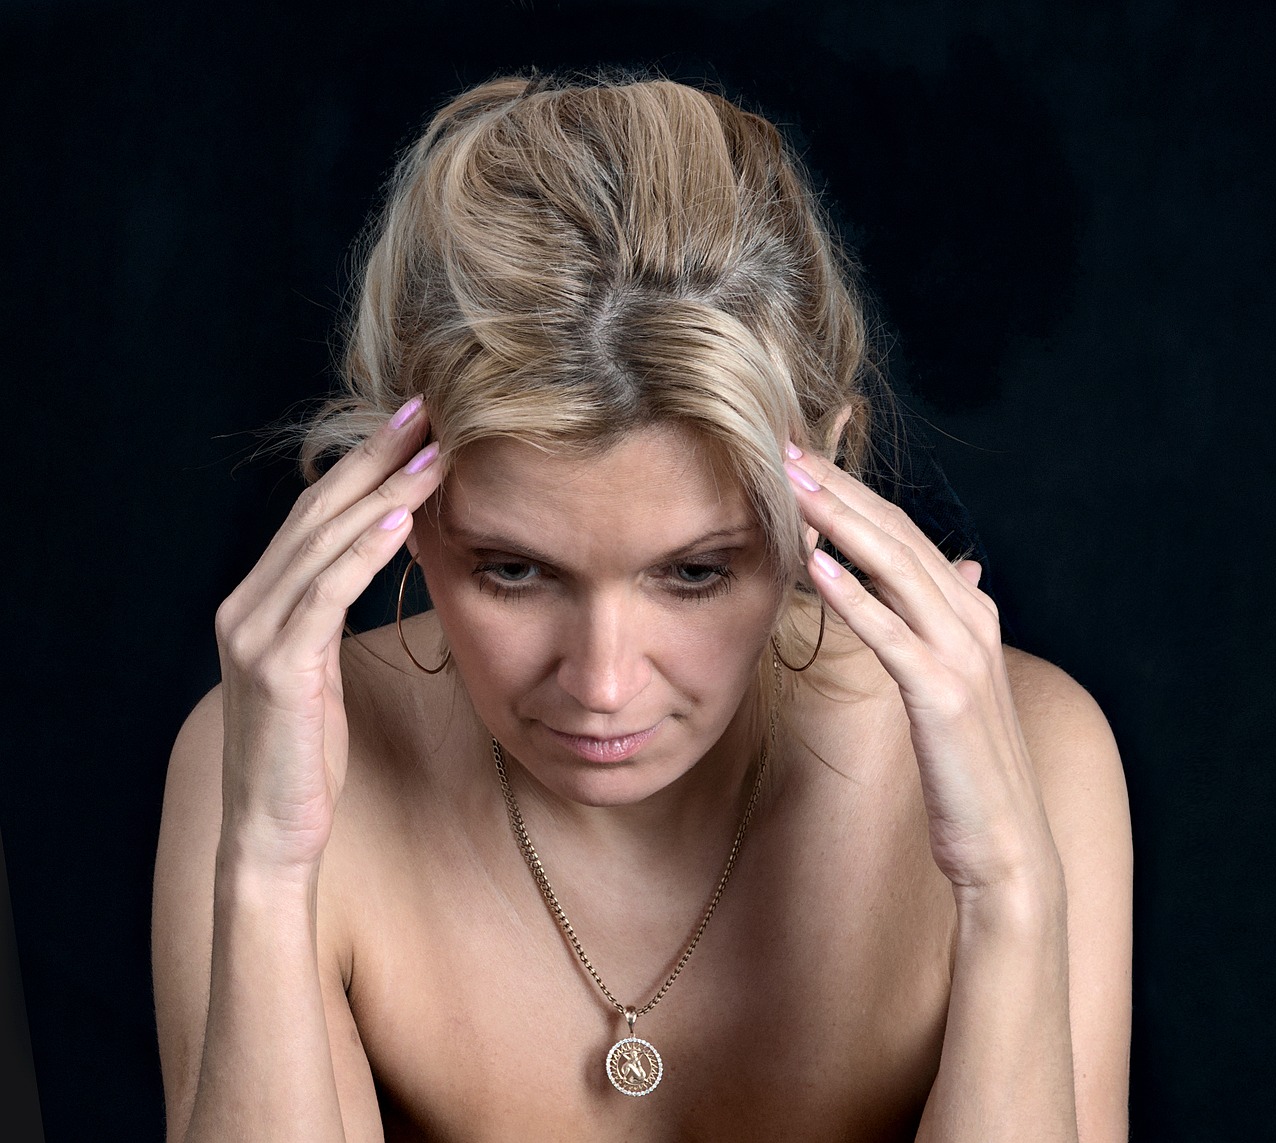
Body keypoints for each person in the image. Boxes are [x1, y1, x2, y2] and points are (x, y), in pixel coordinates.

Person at [153, 73, 1131, 1141]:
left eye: (695, 573)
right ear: (399, 501)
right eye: (513, 570)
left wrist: (1006, 889)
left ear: (822, 487)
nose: (603, 683)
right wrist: (266, 869)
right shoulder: (272, 750)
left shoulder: (1037, 753)